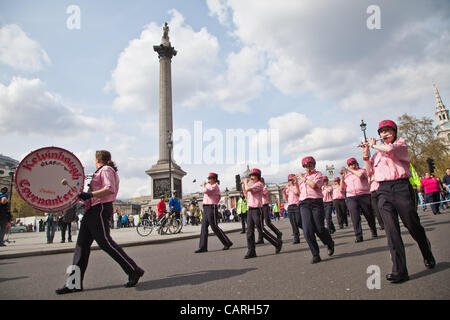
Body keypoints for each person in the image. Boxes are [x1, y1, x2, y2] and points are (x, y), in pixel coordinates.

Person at [56, 150, 144, 294]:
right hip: (92, 210)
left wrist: (89, 194)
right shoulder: (100, 171)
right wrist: (83, 197)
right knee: (81, 246)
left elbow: (109, 189)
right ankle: (74, 283)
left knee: (105, 242)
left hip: (101, 208)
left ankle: (133, 270)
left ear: (97, 159)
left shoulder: (106, 169)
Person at [363, 119, 435, 283]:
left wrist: (374, 145)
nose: (384, 134)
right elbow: (369, 173)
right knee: (391, 231)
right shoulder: (376, 154)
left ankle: (426, 250)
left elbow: (389, 149)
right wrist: (366, 154)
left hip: (401, 187)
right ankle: (399, 270)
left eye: (388, 130)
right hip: (383, 190)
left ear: (395, 132)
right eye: (381, 131)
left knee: (412, 224)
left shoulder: (399, 144)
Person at [242, 169, 282, 259]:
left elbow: (249, 189)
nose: (251, 177)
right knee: (249, 231)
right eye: (251, 175)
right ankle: (251, 251)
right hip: (250, 210)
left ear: (258, 177)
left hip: (257, 209)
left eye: (253, 176)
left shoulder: (259, 185)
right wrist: (243, 186)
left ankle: (277, 242)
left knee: (261, 230)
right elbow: (246, 194)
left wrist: (245, 183)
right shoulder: (252, 185)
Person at [341, 157, 378, 243]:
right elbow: (342, 188)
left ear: (357, 164)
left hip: (363, 195)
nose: (353, 166)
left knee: (368, 214)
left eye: (354, 164)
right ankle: (358, 235)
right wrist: (342, 178)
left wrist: (350, 170)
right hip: (351, 197)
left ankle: (373, 229)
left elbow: (360, 175)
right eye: (350, 165)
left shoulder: (362, 170)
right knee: (355, 216)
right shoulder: (347, 176)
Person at [195, 173, 233, 253]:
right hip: (206, 208)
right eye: (208, 178)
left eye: (210, 178)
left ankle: (227, 242)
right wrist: (204, 185)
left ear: (215, 179)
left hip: (211, 207)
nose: (208, 180)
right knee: (204, 227)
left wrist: (203, 185)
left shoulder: (215, 186)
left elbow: (205, 191)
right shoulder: (211, 187)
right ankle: (203, 246)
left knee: (214, 226)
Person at [282, 174, 302, 244]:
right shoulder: (288, 188)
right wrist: (284, 192)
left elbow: (297, 192)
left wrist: (289, 188)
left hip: (297, 205)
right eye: (289, 180)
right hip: (290, 206)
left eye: (292, 180)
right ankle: (296, 238)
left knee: (298, 221)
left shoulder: (297, 186)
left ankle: (308, 230)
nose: (291, 181)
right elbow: (287, 198)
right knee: (293, 223)